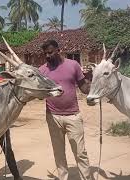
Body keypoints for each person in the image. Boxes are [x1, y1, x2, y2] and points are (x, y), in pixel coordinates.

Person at [39, 40, 92, 180]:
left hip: (73, 116)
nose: (47, 56)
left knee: (80, 153)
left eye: (50, 52)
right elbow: (40, 95)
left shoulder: (73, 65)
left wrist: (93, 84)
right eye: (45, 53)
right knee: (59, 153)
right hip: (52, 117)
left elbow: (84, 88)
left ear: (58, 50)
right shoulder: (42, 70)